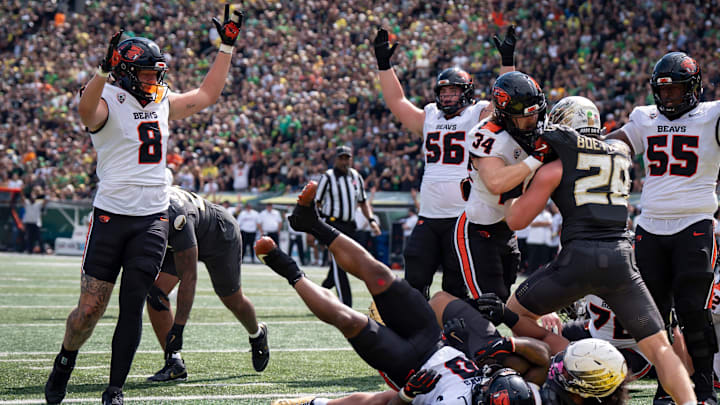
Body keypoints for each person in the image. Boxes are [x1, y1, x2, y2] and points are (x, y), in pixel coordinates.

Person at [44, 5, 244, 404]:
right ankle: (65, 360)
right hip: (111, 215)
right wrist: (101, 71)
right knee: (89, 309)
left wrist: (226, 47)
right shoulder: (106, 97)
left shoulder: (162, 99)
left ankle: (114, 388)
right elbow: (86, 111)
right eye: (147, 73)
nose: (154, 81)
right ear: (122, 71)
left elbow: (208, 94)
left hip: (152, 216)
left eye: (157, 74)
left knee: (133, 303)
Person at [257, 181, 535, 405]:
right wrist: (476, 345)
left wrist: (407, 394)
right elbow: (542, 355)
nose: (487, 381)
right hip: (434, 339)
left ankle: (289, 269)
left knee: (350, 320)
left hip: (407, 366)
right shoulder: (513, 392)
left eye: (488, 387)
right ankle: (311, 222)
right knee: (381, 277)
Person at [501, 95, 697, 404]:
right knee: (660, 347)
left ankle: (572, 359)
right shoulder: (619, 153)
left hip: (578, 258)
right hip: (621, 259)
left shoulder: (556, 166)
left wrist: (512, 189)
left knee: (513, 309)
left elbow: (516, 219)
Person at [605, 51, 719, 405]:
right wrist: (605, 145)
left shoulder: (712, 114)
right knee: (654, 316)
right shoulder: (645, 117)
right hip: (650, 227)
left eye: (675, 90)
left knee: (694, 313)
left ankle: (703, 389)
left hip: (694, 223)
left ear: (694, 87)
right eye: (663, 91)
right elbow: (618, 141)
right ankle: (667, 388)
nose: (668, 98)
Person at [372, 26, 516, 300]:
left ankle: (453, 333)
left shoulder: (477, 114)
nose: (448, 96)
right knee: (414, 278)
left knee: (456, 284)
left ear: (467, 92)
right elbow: (396, 101)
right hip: (429, 214)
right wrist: (384, 65)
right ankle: (417, 331)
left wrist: (506, 63)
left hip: (463, 218)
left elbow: (503, 102)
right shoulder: (429, 116)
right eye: (445, 91)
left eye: (454, 91)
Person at [144, 186, 268, 382]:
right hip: (187, 232)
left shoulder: (174, 212)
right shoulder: (141, 205)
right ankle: (174, 362)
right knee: (155, 292)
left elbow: (189, 276)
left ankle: (257, 333)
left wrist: (178, 328)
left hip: (219, 234)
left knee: (232, 299)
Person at [456, 71, 554, 302]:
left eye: (537, 113)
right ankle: (440, 326)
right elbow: (496, 182)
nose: (535, 121)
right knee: (490, 302)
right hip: (479, 227)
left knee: (505, 300)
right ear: (505, 115)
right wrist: (536, 159)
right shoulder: (485, 134)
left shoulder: (538, 122)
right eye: (526, 117)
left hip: (507, 230)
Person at [315, 146, 380, 307]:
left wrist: (371, 220)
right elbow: (316, 203)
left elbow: (363, 202)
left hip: (350, 226)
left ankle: (320, 293)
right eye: (341, 158)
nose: (344, 161)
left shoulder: (356, 176)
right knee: (340, 264)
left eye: (347, 158)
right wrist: (314, 227)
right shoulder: (328, 177)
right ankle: (346, 305)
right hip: (332, 223)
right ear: (335, 159)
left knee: (342, 265)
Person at [20, 186, 48, 254]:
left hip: (36, 222)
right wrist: (22, 191)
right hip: (28, 222)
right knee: (29, 237)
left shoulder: (38, 203)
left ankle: (42, 251)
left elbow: (45, 201)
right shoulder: (27, 202)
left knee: (39, 237)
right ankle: (29, 250)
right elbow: (22, 198)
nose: (33, 197)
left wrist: (41, 193)